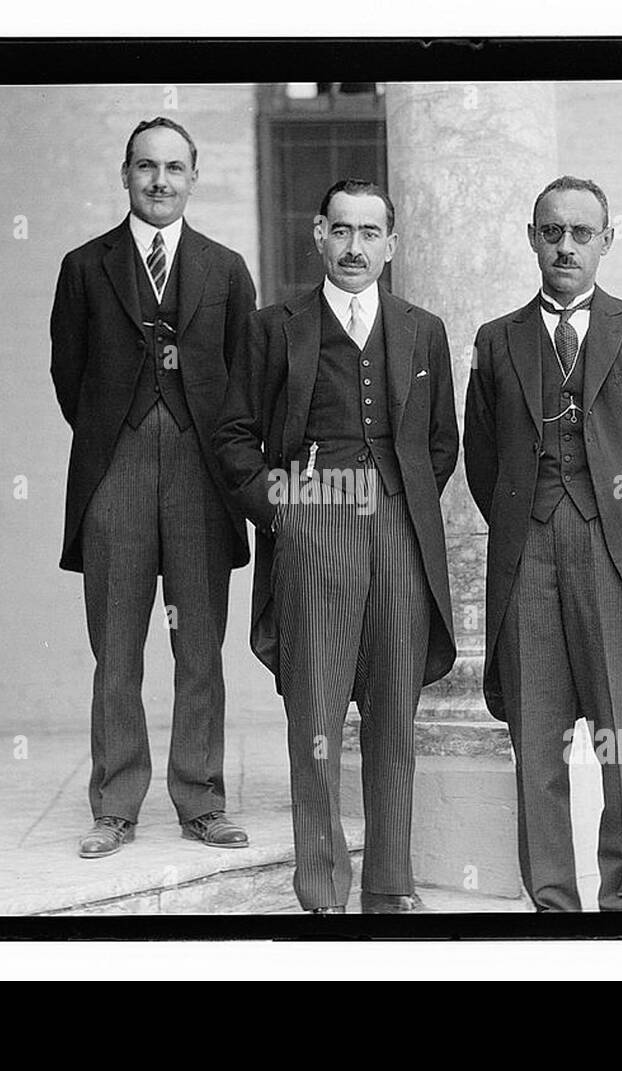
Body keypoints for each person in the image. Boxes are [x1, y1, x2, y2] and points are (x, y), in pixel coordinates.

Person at [214, 179, 458, 913]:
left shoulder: (423, 329)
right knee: (315, 715)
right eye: (342, 231)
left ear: (392, 243)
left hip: (398, 530)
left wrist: (401, 501)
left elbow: (440, 442)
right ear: (318, 234)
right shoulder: (273, 327)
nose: (356, 247)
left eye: (371, 232)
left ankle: (390, 886)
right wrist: (284, 512)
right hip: (312, 521)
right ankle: (322, 889)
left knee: (394, 715)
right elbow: (232, 438)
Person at [463, 176, 622, 911]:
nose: (566, 245)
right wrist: (524, 524)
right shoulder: (496, 339)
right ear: (533, 237)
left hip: (613, 558)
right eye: (552, 231)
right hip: (528, 554)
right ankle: (553, 908)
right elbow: (481, 457)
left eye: (581, 232)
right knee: (537, 744)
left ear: (606, 239)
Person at [50, 117, 256, 859]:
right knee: (118, 647)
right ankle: (115, 806)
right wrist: (122, 430)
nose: (160, 180)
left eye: (174, 167)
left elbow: (243, 377)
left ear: (194, 176)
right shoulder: (85, 265)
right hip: (117, 468)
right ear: (126, 174)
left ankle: (201, 799)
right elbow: (68, 373)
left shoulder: (225, 269)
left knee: (199, 645)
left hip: (203, 477)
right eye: (146, 167)